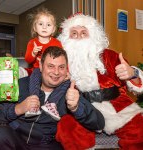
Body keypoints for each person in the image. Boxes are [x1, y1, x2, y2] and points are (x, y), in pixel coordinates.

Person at [57, 13, 143, 149]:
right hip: (82, 108)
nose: (79, 36)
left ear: (93, 34)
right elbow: (43, 72)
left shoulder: (110, 55)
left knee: (139, 130)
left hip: (117, 106)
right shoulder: (62, 60)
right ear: (66, 37)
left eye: (83, 32)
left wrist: (133, 73)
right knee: (67, 129)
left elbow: (136, 82)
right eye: (74, 33)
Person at [0, 46, 105, 150]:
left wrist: (76, 107)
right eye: (50, 66)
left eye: (61, 67)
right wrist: (18, 109)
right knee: (0, 135)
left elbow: (99, 123)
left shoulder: (70, 94)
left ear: (67, 70)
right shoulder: (20, 85)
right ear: (41, 67)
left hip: (46, 144)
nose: (56, 72)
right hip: (15, 138)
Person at [25, 7, 62, 75]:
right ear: (35, 28)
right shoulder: (32, 43)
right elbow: (28, 60)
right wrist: (33, 53)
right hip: (37, 70)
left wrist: (66, 72)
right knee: (35, 76)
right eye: (41, 24)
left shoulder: (57, 43)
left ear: (53, 29)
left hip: (53, 71)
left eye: (48, 24)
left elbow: (62, 59)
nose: (44, 27)